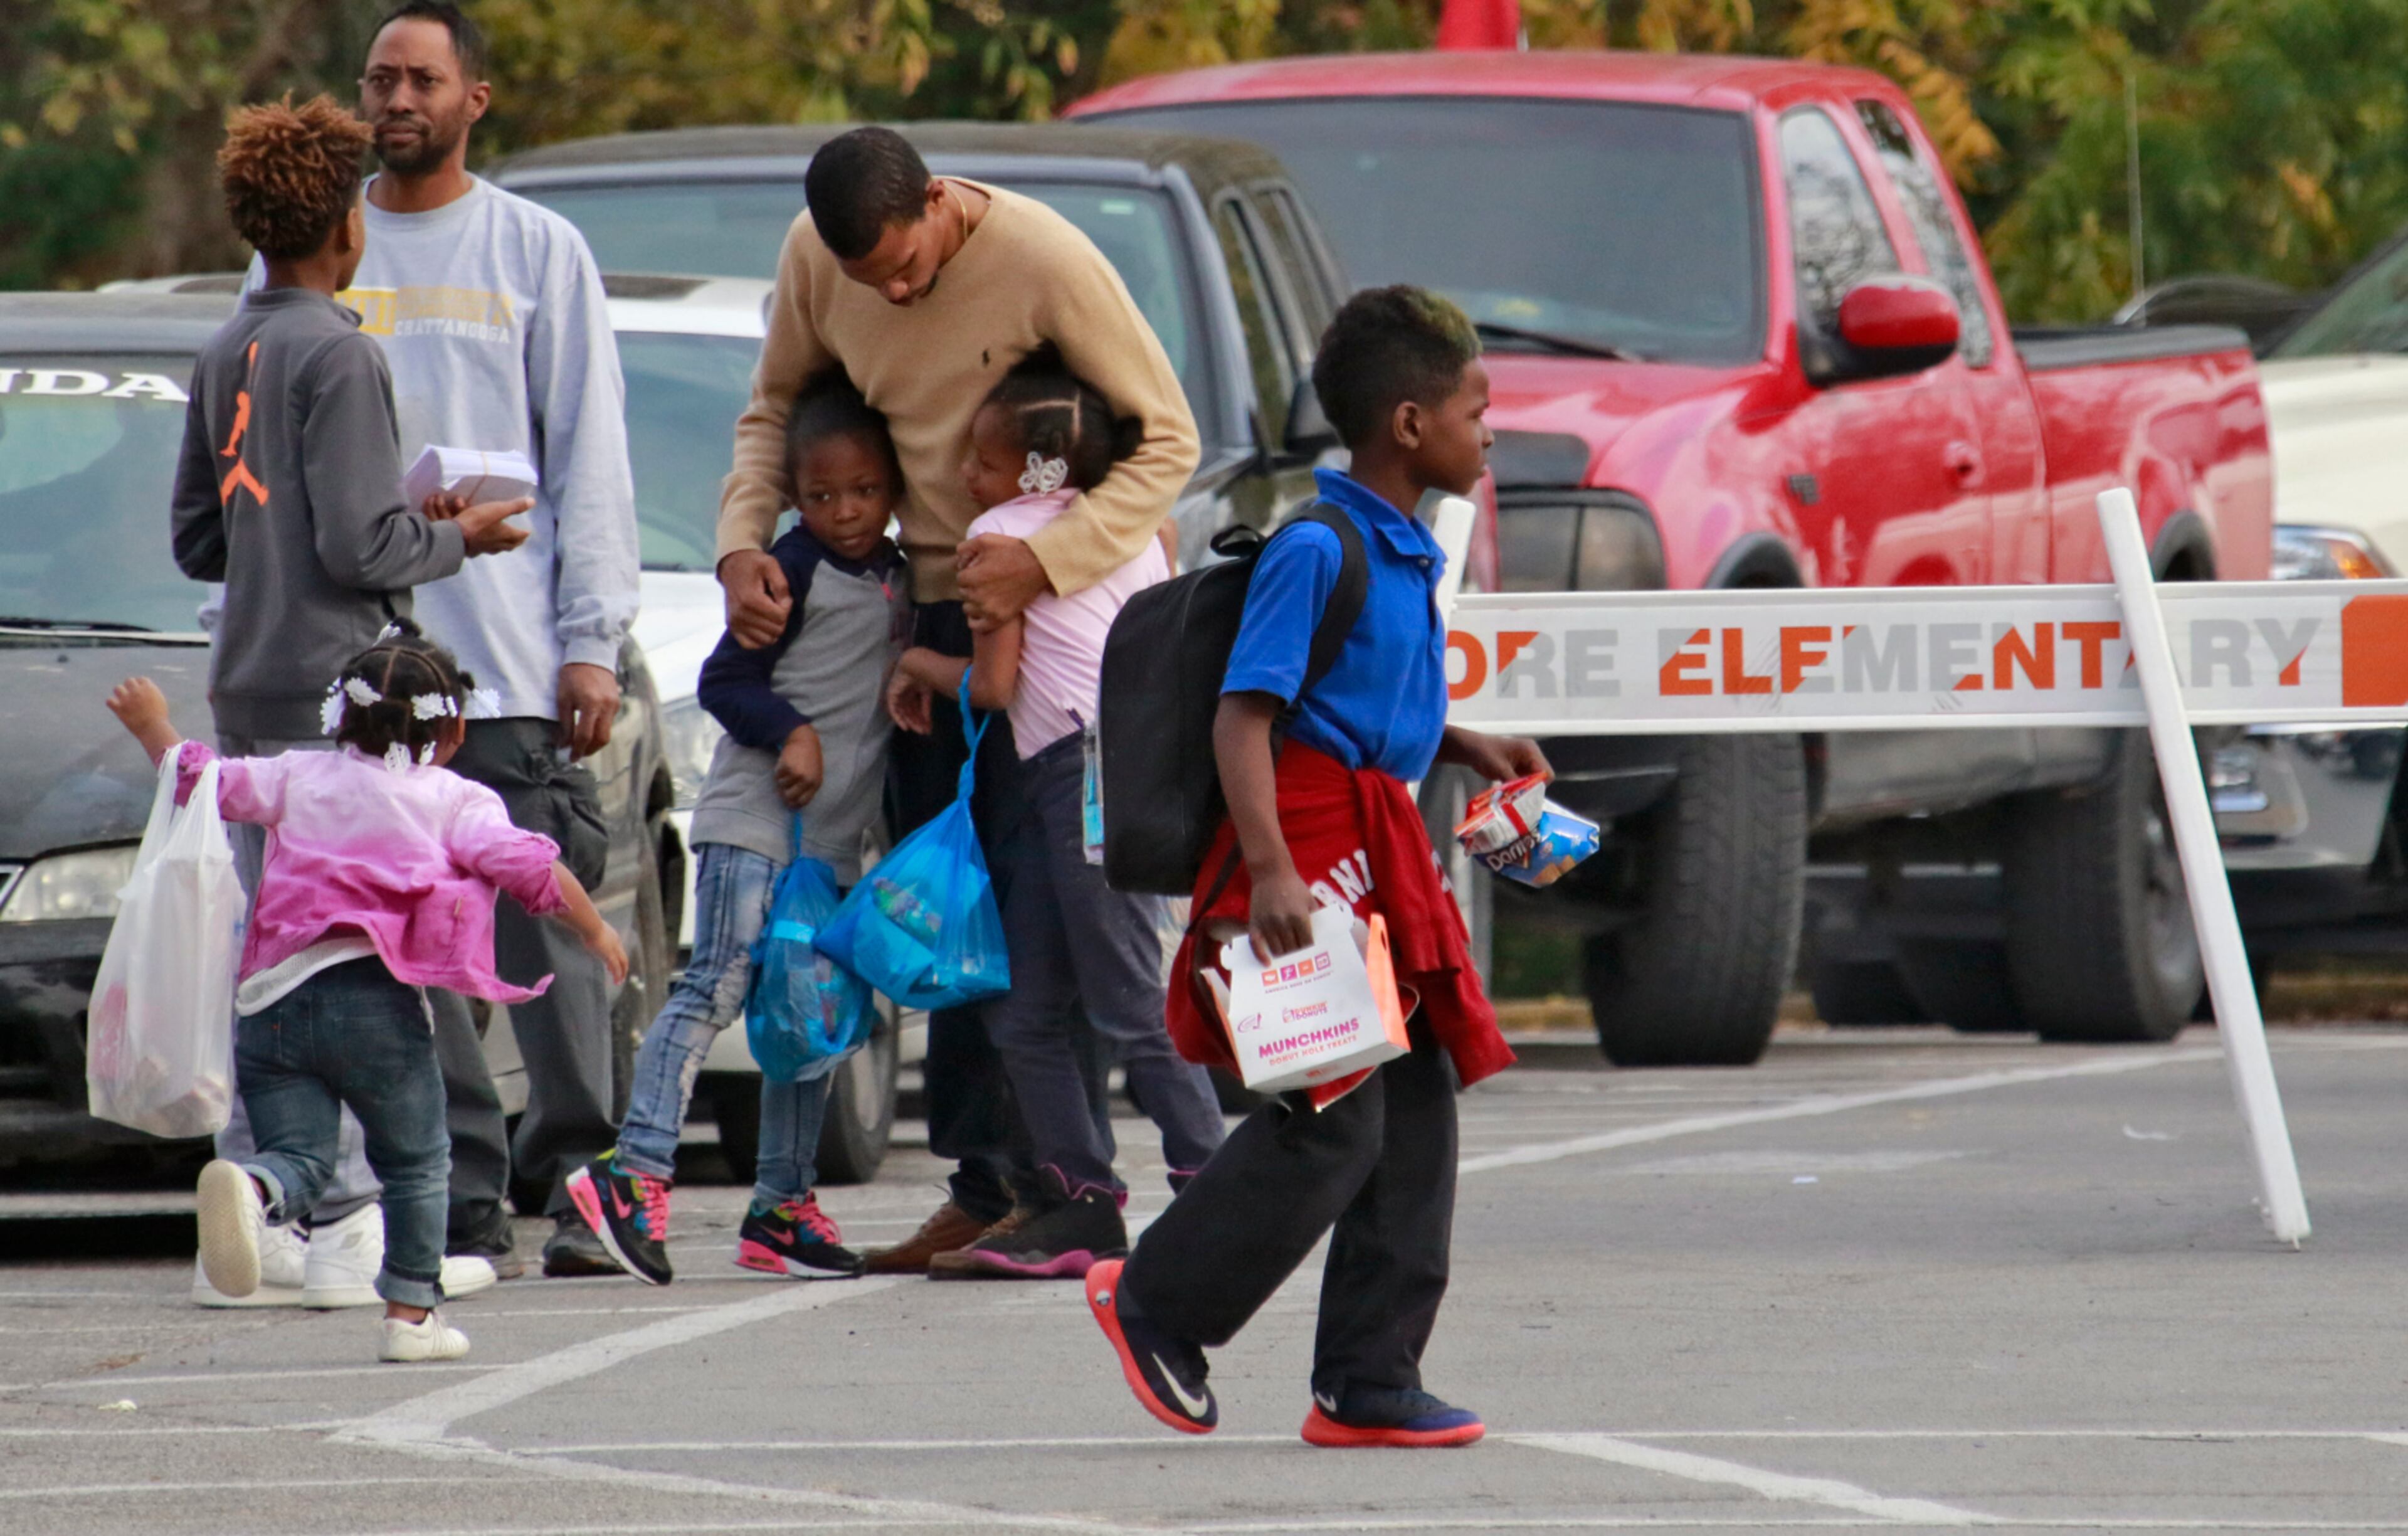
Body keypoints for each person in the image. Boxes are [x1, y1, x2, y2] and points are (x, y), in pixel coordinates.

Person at [714, 126, 1200, 1274]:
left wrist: (1053, 557)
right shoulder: (816, 259)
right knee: (963, 920)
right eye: (873, 281)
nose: (895, 290)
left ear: (939, 202)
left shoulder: (1045, 257)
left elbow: (1164, 440)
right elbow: (774, 411)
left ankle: (1069, 1185)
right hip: (923, 617)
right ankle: (992, 1184)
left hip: (1046, 615)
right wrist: (742, 545)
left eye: (909, 267)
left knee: (1061, 921)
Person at [1083, 287, 1550, 1448]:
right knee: (1332, 1111)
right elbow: (1248, 717)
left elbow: (1360, 702)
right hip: (1307, 855)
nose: (1489, 430)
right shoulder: (1316, 544)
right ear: (1407, 422)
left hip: (1374, 839)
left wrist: (1465, 739)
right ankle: (1154, 1300)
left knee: (1416, 1107)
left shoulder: (1399, 551)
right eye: (1475, 407)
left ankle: (1368, 1376)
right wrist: (1279, 872)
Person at [171, 93, 532, 1309]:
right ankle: (355, 1224)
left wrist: (303, 538)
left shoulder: (229, 346)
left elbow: (197, 539)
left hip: (246, 681)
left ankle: (279, 1192)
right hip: (343, 696)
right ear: (346, 225)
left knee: (277, 954)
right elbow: (367, 546)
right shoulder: (341, 349)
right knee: (368, 956)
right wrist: (457, 535)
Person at [341, 1, 642, 1279]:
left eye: (422, 78)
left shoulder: (536, 248)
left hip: (510, 667)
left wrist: (591, 640)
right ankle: (461, 1190)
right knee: (410, 944)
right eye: (378, 79)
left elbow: (589, 455)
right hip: (366, 675)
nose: (397, 98)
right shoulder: (315, 248)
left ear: (476, 99)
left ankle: (582, 1182)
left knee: (548, 929)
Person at [103, 628, 627, 1361]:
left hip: (271, 1002)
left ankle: (254, 1189)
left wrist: (152, 724)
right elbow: (530, 867)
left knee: (303, 1156)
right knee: (416, 1160)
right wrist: (597, 931)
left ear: (338, 720)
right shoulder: (455, 798)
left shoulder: (296, 776)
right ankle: (411, 1317)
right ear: (455, 731)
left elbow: (199, 782)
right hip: (375, 1004)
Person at [887, 355, 1225, 1279]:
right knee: (1026, 1002)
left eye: (982, 463)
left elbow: (991, 686)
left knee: (1120, 999)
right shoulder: (1138, 529)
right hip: (1099, 774)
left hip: (1074, 778)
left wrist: (915, 665)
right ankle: (1083, 1204)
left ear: (1032, 475)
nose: (965, 478)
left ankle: (1216, 1185)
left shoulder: (997, 536)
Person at [568, 378, 911, 1286]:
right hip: (755, 820)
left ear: (897, 490)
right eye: (824, 495)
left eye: (866, 493)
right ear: (795, 498)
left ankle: (782, 1209)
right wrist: (790, 730)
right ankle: (632, 1174)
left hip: (829, 848)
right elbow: (726, 683)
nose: (846, 512)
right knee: (717, 981)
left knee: (811, 1018)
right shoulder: (787, 571)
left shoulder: (901, 581)